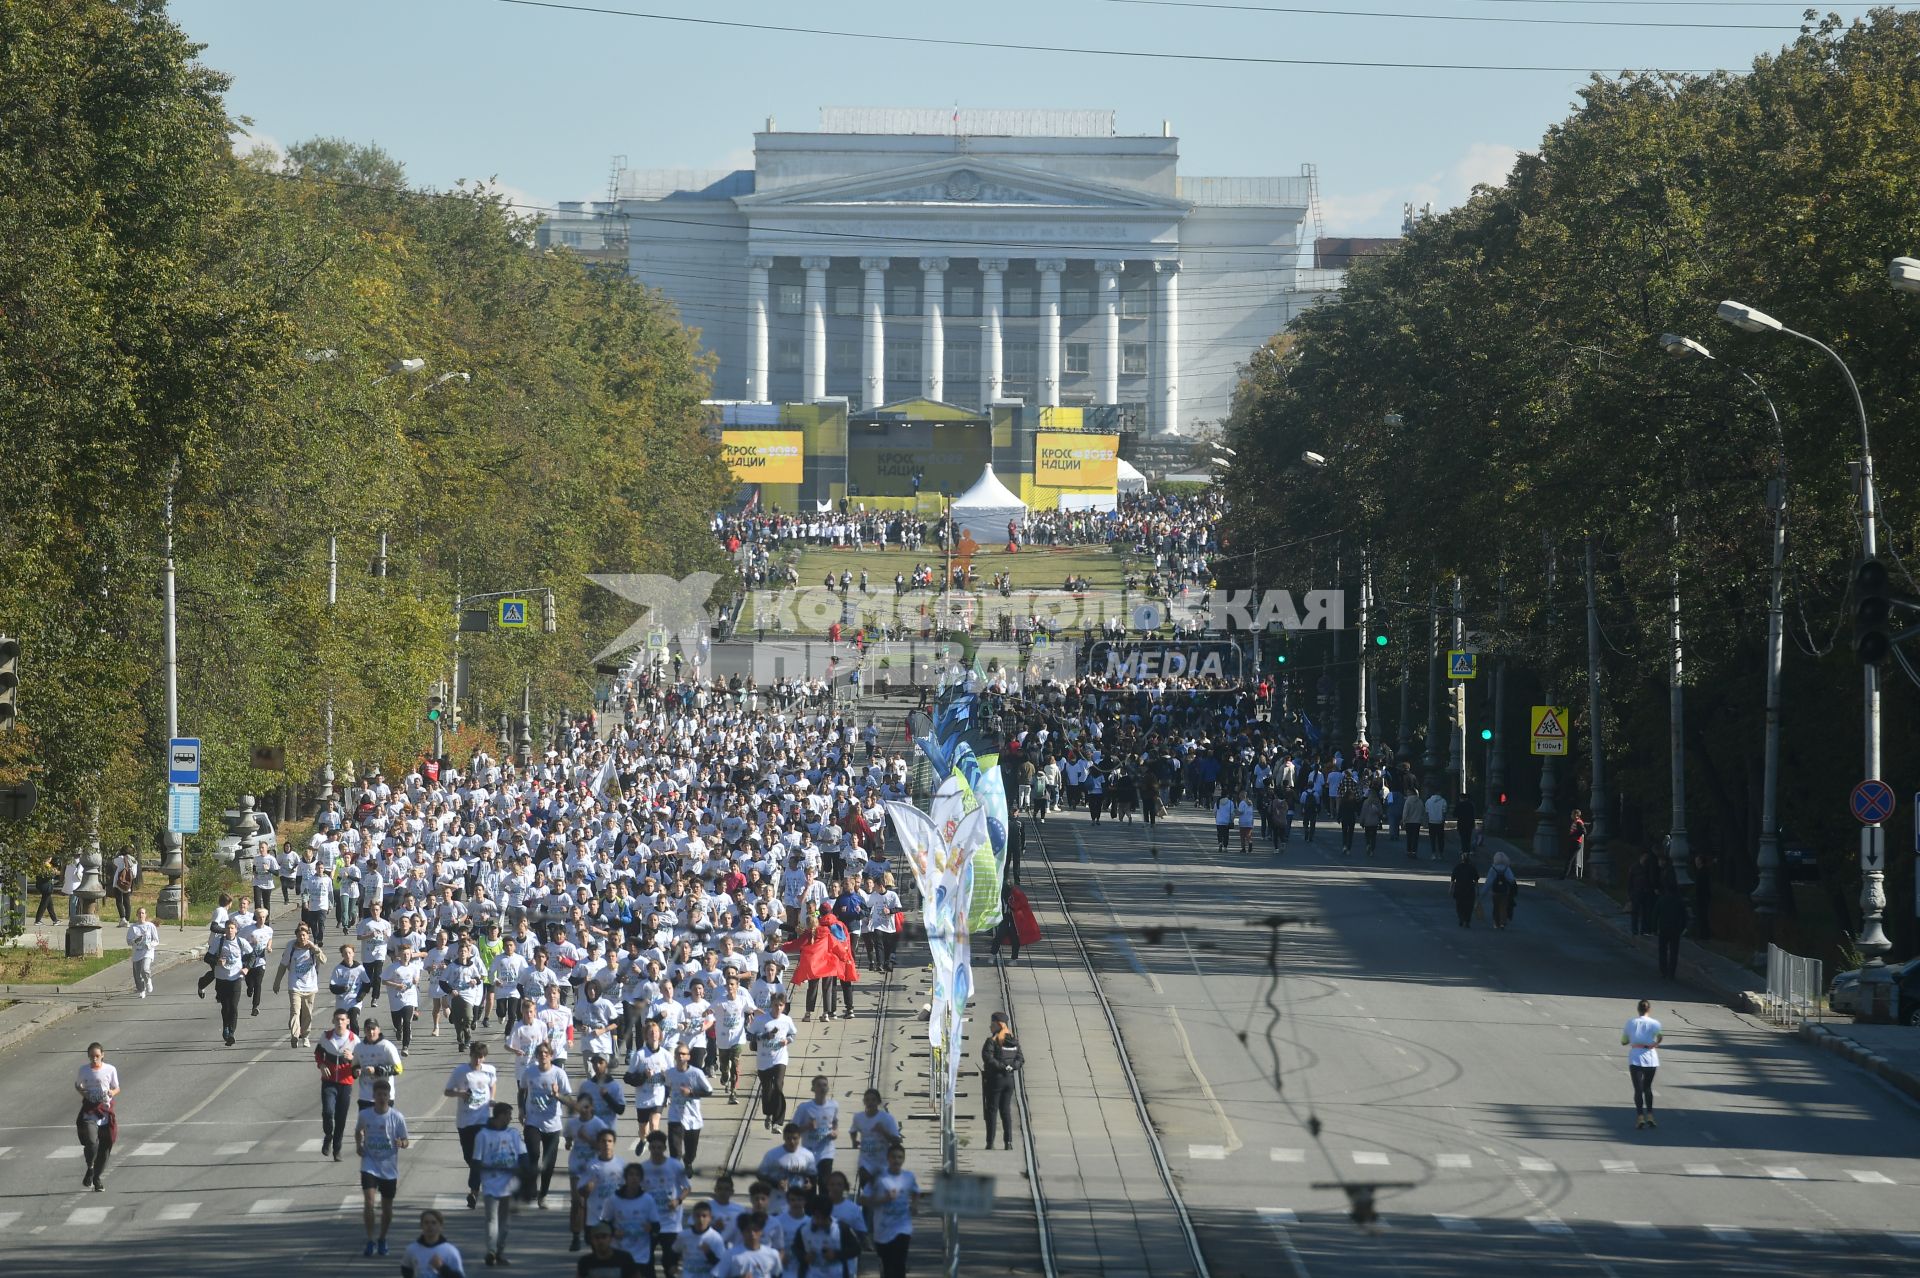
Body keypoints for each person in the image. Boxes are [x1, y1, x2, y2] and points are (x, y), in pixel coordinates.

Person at [354, 1078, 410, 1258]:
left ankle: (382, 1238)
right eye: (379, 1094)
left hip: (389, 1167)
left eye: (385, 1095)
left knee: (387, 1207)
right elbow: (358, 1131)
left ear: (389, 1096)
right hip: (370, 1164)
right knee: (369, 1202)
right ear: (373, 1096)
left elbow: (406, 1141)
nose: (382, 1098)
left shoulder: (397, 1117)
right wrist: (359, 1145)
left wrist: (401, 1142)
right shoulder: (365, 1115)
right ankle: (370, 1239)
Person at [472, 1102, 527, 1267]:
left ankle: (499, 1251)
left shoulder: (513, 1134)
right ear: (500, 1115)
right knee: (491, 1219)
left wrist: (528, 1172)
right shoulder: (483, 1135)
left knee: (506, 1223)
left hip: (509, 1185)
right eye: (509, 1115)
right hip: (490, 1184)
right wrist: (474, 1187)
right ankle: (491, 1250)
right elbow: (476, 1161)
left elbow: (523, 1155)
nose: (510, 1118)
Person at [446, 1042, 499, 1208]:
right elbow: (447, 1091)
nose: (478, 1060)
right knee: (469, 1158)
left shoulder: (489, 1070)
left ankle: (474, 1192)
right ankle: (483, 1179)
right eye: (476, 1057)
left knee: (478, 1158)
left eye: (481, 1057)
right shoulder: (460, 1071)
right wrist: (460, 1093)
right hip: (465, 1121)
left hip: (482, 1120)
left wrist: (491, 1099)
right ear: (471, 1055)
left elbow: (493, 1085)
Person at [522, 1040, 573, 1209]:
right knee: (533, 1154)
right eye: (540, 1053)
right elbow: (522, 1091)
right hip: (533, 1121)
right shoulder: (529, 1072)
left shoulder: (559, 1074)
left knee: (548, 1164)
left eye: (546, 1053)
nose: (543, 1056)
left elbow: (569, 1100)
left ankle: (543, 1195)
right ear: (536, 1056)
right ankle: (531, 1188)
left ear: (551, 1056)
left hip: (552, 1124)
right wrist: (522, 1110)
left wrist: (558, 1095)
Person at [862, 1143, 923, 1278]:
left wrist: (914, 1206)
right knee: (888, 1264)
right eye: (893, 1157)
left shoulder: (908, 1176)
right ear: (888, 1158)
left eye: (900, 1157)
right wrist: (884, 1199)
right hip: (882, 1229)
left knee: (899, 1263)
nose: (897, 1160)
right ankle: (884, 1270)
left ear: (904, 1159)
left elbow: (916, 1192)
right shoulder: (879, 1177)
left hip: (903, 1227)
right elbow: (864, 1200)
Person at [74, 1041, 119, 1191]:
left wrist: (111, 1093)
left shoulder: (110, 1069)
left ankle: (97, 1178)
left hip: (105, 1110)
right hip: (90, 1111)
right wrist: (84, 1093)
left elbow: (116, 1087)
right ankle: (90, 1167)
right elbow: (78, 1085)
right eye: (92, 1056)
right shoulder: (84, 1070)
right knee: (92, 1142)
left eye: (97, 1056)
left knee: (105, 1147)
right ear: (88, 1056)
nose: (94, 1059)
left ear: (102, 1055)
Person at [315, 1008, 359, 1161]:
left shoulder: (354, 1040)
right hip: (329, 1082)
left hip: (346, 1083)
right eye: (337, 1019)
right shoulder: (326, 1037)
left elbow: (360, 1062)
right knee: (328, 1112)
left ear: (348, 1021)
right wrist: (321, 1065)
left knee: (341, 1118)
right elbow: (318, 1053)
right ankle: (328, 1135)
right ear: (333, 1021)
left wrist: (352, 1057)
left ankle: (337, 1149)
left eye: (343, 1019)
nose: (340, 1022)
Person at [749, 992, 796, 1131]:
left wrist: (787, 1041)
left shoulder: (787, 1020)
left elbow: (793, 1034)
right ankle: (768, 1114)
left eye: (781, 1005)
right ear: (771, 1005)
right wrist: (763, 1036)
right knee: (767, 1089)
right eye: (775, 1005)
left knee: (778, 1086)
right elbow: (749, 1035)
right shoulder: (761, 1020)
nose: (778, 1008)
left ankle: (778, 1121)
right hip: (764, 1060)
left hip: (780, 1058)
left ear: (784, 1006)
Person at [273, 922, 324, 1048]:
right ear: (296, 936)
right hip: (295, 985)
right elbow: (283, 965)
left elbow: (323, 960)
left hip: (310, 986)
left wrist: (315, 948)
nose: (302, 937)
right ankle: (295, 1035)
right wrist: (277, 982)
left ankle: (305, 1036)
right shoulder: (291, 948)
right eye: (300, 935)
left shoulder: (312, 948)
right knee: (295, 1012)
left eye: (304, 935)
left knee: (307, 1014)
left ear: (308, 936)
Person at [665, 1043, 715, 1173]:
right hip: (675, 1117)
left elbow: (709, 1091)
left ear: (688, 1057)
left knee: (691, 1152)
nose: (681, 1056)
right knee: (675, 1153)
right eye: (678, 1054)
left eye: (684, 1054)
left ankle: (688, 1162)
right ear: (675, 1056)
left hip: (693, 1118)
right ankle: (676, 1174)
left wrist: (691, 1093)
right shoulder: (670, 1073)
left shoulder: (696, 1073)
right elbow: (666, 1087)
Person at [206, 918, 253, 1046]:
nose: (230, 930)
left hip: (236, 978)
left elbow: (252, 955)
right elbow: (207, 957)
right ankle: (225, 1026)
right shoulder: (219, 941)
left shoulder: (240, 942)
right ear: (225, 930)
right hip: (221, 979)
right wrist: (217, 961)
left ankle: (231, 1033)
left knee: (233, 1007)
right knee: (225, 1007)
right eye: (228, 928)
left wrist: (246, 968)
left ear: (236, 930)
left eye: (232, 928)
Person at [979, 1011, 1021, 1150]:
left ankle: (990, 1142)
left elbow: (988, 1058)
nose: (990, 1026)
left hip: (995, 1080)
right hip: (1009, 1081)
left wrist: (1001, 1067)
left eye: (992, 1023)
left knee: (992, 1111)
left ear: (998, 1025)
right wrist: (1010, 1067)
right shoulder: (1013, 1041)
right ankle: (1008, 1143)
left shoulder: (992, 1041)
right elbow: (1020, 1059)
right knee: (1006, 1111)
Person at [847, 1088, 900, 1192]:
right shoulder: (858, 1117)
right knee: (867, 1189)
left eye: (873, 1100)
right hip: (865, 1163)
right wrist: (854, 1141)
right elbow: (853, 1130)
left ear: (878, 1102)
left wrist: (883, 1131)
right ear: (864, 1102)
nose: (870, 1103)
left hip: (882, 1163)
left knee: (879, 1192)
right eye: (867, 1100)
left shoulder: (887, 1119)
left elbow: (896, 1141)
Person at [1622, 998, 1664, 1129]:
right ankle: (1650, 1115)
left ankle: (1640, 1117)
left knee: (1638, 1089)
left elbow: (1624, 1041)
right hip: (1651, 1058)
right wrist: (1655, 1044)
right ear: (1649, 1009)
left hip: (1635, 1057)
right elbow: (1660, 1036)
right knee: (1647, 1087)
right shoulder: (1655, 1023)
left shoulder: (1631, 1023)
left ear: (1638, 1009)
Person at [791, 1074, 839, 1185]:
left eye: (825, 1085)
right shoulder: (804, 1108)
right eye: (819, 1085)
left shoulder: (834, 1106)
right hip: (809, 1152)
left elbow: (835, 1122)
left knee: (824, 1185)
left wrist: (835, 1133)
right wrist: (807, 1127)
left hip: (827, 1152)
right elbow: (792, 1130)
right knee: (809, 1186)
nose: (822, 1088)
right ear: (813, 1089)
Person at [399, 1209, 465, 1278]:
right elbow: (406, 1270)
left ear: (440, 1226)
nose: (430, 1226)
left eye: (434, 1223)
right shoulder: (412, 1249)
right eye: (426, 1223)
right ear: (421, 1225)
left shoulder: (450, 1251)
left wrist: (442, 1268)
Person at [577, 1220, 645, 1278]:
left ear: (611, 1239)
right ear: (592, 1240)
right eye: (597, 1237)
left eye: (604, 1237)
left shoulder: (625, 1259)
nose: (600, 1241)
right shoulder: (585, 1262)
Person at [1653, 874, 1690, 981]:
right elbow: (1684, 916)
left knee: (1662, 950)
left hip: (1663, 928)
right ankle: (1671, 973)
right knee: (1674, 952)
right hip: (1675, 929)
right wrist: (1683, 928)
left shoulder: (1662, 899)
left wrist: (1654, 928)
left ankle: (1663, 970)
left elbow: (1655, 914)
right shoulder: (1679, 900)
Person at [126, 906, 160, 998]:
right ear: (137, 915)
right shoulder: (133, 927)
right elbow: (129, 941)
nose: (141, 915)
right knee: (137, 974)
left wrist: (150, 945)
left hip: (147, 951)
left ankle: (148, 980)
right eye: (139, 913)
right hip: (137, 952)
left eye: (143, 913)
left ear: (145, 915)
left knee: (144, 969)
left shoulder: (150, 926)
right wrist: (135, 941)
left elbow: (156, 940)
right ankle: (141, 989)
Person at [1486, 851, 1517, 929]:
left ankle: (1496, 923)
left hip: (1495, 891)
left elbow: (1488, 882)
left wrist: (1483, 893)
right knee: (1503, 907)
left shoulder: (1492, 868)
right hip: (1504, 891)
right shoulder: (1507, 868)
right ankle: (1503, 922)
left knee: (1496, 907)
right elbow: (1512, 880)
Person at [109, 845, 139, 924]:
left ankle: (122, 918)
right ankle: (127, 919)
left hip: (118, 882)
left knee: (119, 900)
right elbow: (135, 874)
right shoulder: (134, 861)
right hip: (128, 883)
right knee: (127, 901)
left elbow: (113, 861)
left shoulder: (120, 859)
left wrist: (118, 854)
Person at [1448, 851, 1478, 928]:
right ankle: (1467, 920)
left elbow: (1452, 880)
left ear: (1461, 859)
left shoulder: (1457, 867)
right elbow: (1476, 880)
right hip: (1470, 889)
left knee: (1459, 905)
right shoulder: (1472, 867)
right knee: (1469, 906)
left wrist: (1450, 889)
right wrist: (1477, 890)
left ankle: (1461, 918)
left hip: (1459, 889)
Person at [1562, 809, 1587, 880]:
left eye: (1572, 814)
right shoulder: (1577, 822)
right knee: (1570, 859)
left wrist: (1573, 834)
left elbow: (1583, 831)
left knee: (1569, 859)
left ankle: (1564, 875)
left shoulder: (1579, 822)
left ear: (1576, 815)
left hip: (1576, 843)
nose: (1571, 816)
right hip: (1574, 842)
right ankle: (1569, 874)